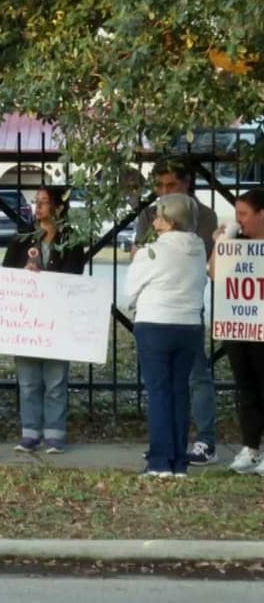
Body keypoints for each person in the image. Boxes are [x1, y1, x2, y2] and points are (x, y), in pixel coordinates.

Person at [133, 158, 219, 465]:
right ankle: (166, 444)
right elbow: (138, 253)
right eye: (159, 185)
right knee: (162, 383)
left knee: (196, 376)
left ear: (187, 183)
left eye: (171, 185)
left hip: (185, 306)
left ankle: (205, 439)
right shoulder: (149, 214)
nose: (164, 191)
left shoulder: (205, 217)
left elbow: (209, 265)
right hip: (155, 305)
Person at [122, 194, 207, 477]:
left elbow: (129, 292)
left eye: (158, 216)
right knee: (179, 391)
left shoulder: (152, 252)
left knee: (158, 392)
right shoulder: (198, 248)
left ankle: (159, 461)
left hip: (156, 323)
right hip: (189, 325)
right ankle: (178, 461)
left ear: (170, 221)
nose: (155, 221)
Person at [1, 186, 88, 454]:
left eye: (43, 202)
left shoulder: (71, 240)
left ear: (58, 208)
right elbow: (6, 274)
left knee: (55, 380)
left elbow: (74, 277)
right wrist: (23, 273)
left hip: (57, 320)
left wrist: (47, 277)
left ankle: (54, 433)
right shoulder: (21, 238)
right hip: (26, 320)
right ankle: (29, 433)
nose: (37, 207)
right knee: (27, 381)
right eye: (35, 202)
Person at [217, 189, 264, 475]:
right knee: (245, 387)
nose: (239, 220)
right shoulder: (238, 242)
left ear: (262, 214)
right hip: (239, 325)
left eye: (244, 214)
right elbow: (214, 273)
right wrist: (222, 242)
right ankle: (250, 447)